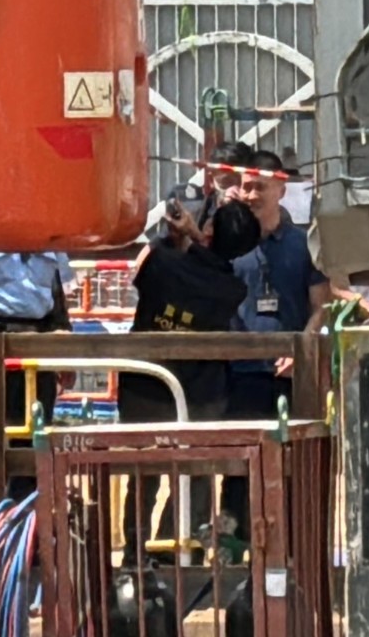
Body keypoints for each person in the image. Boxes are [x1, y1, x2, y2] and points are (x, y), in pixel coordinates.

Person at [118, 200, 261, 567]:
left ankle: (135, 556)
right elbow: (208, 268)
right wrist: (197, 238)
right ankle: (186, 552)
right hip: (200, 394)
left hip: (144, 389)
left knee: (142, 476)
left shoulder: (164, 262)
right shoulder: (232, 290)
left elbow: (143, 269)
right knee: (197, 474)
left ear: (209, 231)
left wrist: (181, 237)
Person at [221, 150, 332, 541]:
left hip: (291, 379)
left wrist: (301, 349)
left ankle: (293, 550)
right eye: (246, 187)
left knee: (293, 467)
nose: (251, 195)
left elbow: (322, 308)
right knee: (238, 472)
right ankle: (234, 555)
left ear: (281, 189)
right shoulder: (227, 246)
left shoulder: (305, 246)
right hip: (241, 377)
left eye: (260, 187)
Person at [0, 251, 74, 499]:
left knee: (37, 434)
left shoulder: (53, 253)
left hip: (40, 345)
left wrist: (66, 356)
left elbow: (58, 309)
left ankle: (27, 514)